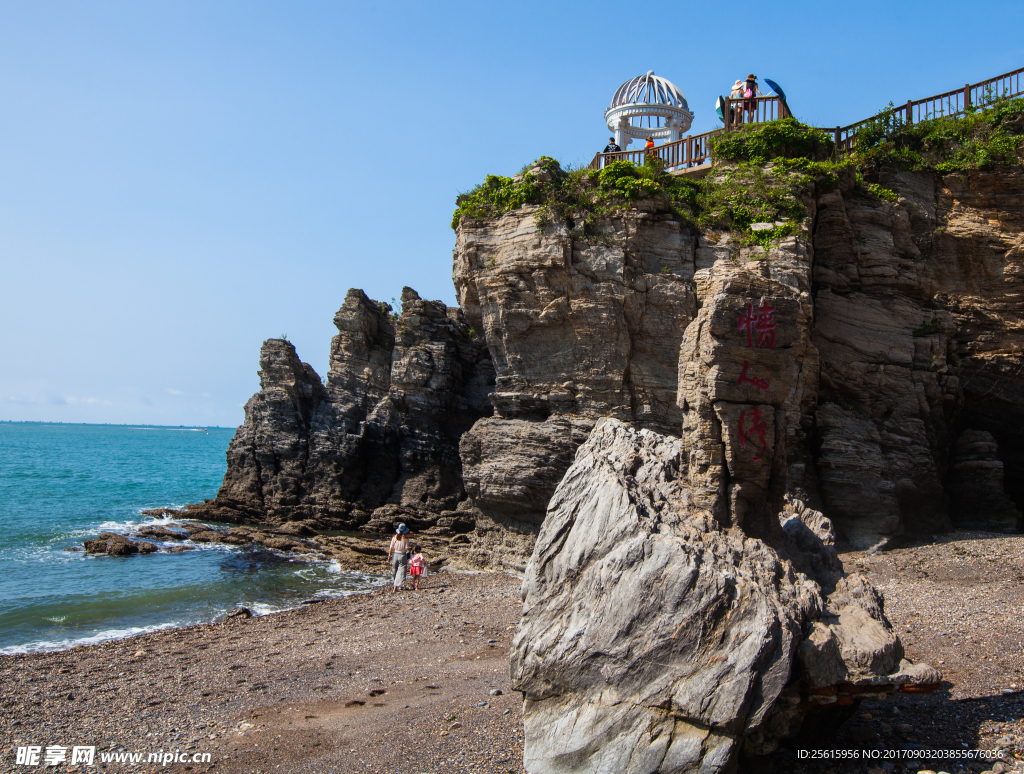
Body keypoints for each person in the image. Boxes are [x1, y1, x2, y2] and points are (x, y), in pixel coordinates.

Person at [387, 524, 411, 593]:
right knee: (401, 571)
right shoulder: (406, 539)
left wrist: (389, 555)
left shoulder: (394, 537)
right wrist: (410, 549)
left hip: (395, 555)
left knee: (395, 570)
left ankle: (396, 586)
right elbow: (406, 549)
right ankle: (397, 586)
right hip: (402, 555)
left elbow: (391, 547)